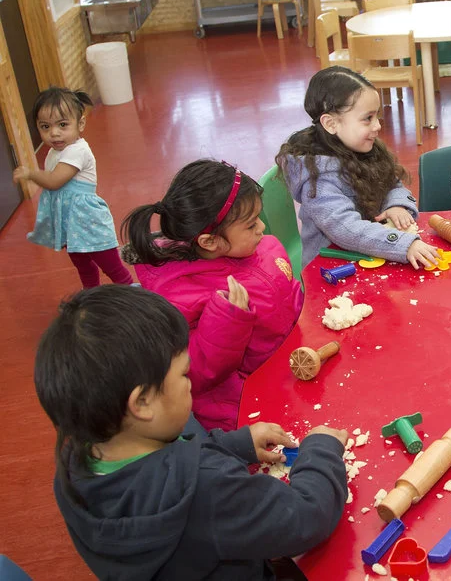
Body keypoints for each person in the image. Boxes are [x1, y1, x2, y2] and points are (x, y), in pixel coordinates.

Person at [35, 284, 349, 580]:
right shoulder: (206, 487)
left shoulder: (75, 465)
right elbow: (307, 517)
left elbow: (174, 460)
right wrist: (322, 448)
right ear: (142, 402)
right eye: (184, 373)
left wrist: (236, 444)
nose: (190, 382)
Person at [121, 160, 303, 431]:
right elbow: (193, 372)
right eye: (252, 224)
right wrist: (227, 322)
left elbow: (288, 299)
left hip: (289, 368)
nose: (262, 230)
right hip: (243, 409)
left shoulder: (255, 248)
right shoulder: (177, 294)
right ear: (210, 242)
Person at [277, 66, 439, 269]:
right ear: (331, 123)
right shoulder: (316, 178)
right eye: (367, 118)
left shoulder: (363, 146)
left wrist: (396, 205)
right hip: (332, 267)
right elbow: (346, 228)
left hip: (372, 252)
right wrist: (403, 245)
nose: (377, 125)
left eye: (377, 116)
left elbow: (392, 183)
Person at [12, 88, 132, 288]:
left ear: (81, 123)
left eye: (62, 125)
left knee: (111, 266)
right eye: (45, 126)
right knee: (82, 265)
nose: (54, 133)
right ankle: (90, 295)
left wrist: (30, 173)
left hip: (88, 222)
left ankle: (135, 297)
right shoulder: (53, 153)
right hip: (71, 224)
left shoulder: (77, 151)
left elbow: (53, 181)